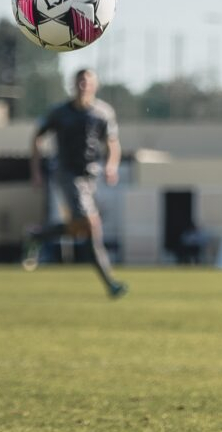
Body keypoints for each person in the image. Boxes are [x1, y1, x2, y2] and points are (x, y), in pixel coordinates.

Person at [27, 68, 128, 299]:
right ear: (74, 85)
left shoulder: (103, 112)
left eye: (88, 82)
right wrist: (36, 170)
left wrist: (112, 166)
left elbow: (113, 143)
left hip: (90, 176)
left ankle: (38, 235)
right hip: (67, 174)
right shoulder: (60, 112)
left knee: (82, 229)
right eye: (80, 81)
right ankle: (110, 283)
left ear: (95, 86)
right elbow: (37, 136)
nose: (84, 85)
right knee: (92, 225)